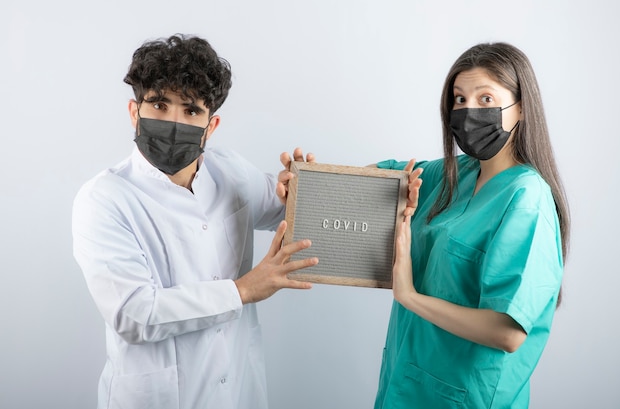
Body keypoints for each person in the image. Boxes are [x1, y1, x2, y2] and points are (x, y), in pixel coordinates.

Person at [72, 34, 318, 409]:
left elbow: (284, 210)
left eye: (190, 111)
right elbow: (134, 314)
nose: (173, 121)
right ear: (134, 112)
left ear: (211, 125)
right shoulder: (105, 198)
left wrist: (305, 186)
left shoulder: (230, 170)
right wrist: (242, 291)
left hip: (237, 390)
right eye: (158, 104)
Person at [373, 42, 570, 408]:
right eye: (460, 100)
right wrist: (303, 180)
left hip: (464, 397)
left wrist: (410, 296)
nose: (468, 112)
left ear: (521, 107)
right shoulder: (452, 174)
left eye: (485, 99)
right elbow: (372, 182)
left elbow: (508, 332)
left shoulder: (527, 199)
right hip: (405, 385)